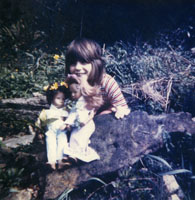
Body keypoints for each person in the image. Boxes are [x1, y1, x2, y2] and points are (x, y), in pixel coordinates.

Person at [65, 37, 130, 119]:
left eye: (83, 62)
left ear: (95, 64)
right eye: (73, 63)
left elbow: (123, 108)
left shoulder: (107, 82)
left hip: (104, 120)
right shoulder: (72, 83)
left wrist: (108, 112)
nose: (77, 67)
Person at [61, 76, 103, 162]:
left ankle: (79, 155)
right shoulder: (75, 103)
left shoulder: (86, 101)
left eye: (75, 92)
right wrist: (68, 123)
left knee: (80, 139)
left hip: (86, 124)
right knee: (73, 137)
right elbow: (73, 114)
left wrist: (85, 121)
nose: (72, 95)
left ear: (81, 90)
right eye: (71, 92)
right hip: (78, 125)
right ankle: (72, 155)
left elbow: (91, 114)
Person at [35, 82, 70, 170]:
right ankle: (52, 161)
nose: (61, 100)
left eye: (63, 98)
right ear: (51, 98)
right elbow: (40, 122)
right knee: (51, 143)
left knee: (63, 142)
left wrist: (68, 125)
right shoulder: (47, 112)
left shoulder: (66, 111)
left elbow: (70, 120)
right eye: (58, 98)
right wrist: (39, 131)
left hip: (62, 131)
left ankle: (61, 161)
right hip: (51, 132)